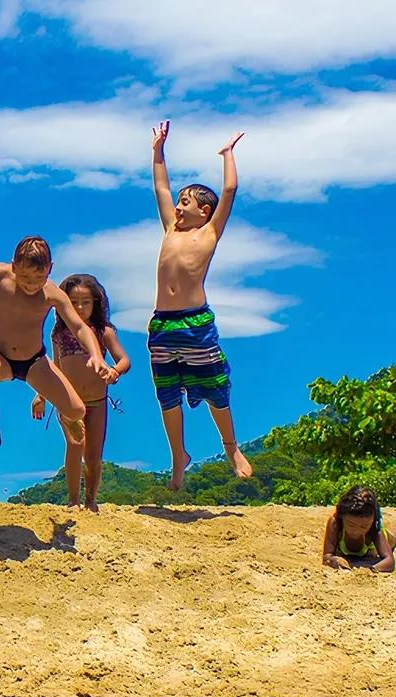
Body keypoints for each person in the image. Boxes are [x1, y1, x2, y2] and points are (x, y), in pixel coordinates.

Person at [149, 119, 252, 490]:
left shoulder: (209, 233)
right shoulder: (170, 230)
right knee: (167, 393)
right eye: (178, 201)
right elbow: (160, 184)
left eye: (186, 202)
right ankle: (179, 454)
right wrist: (158, 150)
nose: (177, 206)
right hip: (162, 324)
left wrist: (227, 154)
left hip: (195, 323)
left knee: (214, 386)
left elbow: (230, 188)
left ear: (204, 212)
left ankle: (231, 447)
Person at [0, 236, 112, 449]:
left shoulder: (53, 294)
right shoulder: (0, 275)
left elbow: (80, 327)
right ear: (14, 266)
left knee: (77, 411)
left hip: (34, 363)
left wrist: (96, 355)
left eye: (39, 277)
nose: (31, 283)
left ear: (50, 269)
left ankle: (68, 418)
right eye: (25, 276)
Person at [32, 273, 130, 510]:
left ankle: (91, 500)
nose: (79, 307)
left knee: (94, 456)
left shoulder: (103, 331)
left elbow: (124, 359)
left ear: (96, 303)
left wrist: (115, 371)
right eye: (73, 302)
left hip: (97, 401)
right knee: (75, 446)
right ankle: (73, 500)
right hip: (68, 401)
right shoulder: (59, 334)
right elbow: (54, 367)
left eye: (85, 302)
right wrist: (41, 395)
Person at [321, 485, 396, 573]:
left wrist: (370, 569)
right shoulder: (335, 523)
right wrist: (335, 561)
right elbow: (327, 556)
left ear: (373, 521)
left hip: (385, 539)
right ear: (341, 516)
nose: (357, 531)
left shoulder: (374, 529)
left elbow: (389, 562)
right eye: (351, 525)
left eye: (363, 527)